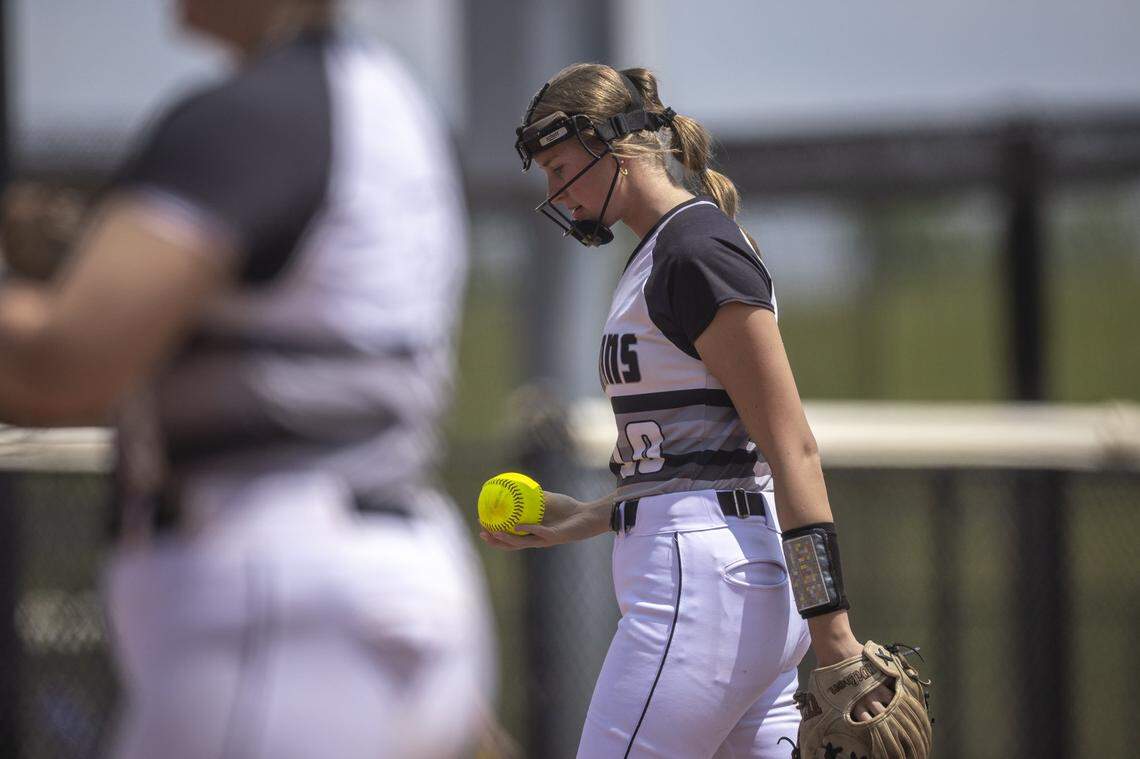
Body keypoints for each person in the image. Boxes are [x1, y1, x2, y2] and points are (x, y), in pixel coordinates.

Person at [0, 1, 492, 757]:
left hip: (278, 596)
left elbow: (60, 366)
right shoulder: (377, 95)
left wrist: (63, 301)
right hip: (358, 582)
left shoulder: (258, 116)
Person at [481, 63, 894, 758]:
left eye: (559, 167)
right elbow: (703, 459)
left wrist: (836, 637)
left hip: (703, 592)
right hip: (727, 588)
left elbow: (790, 447)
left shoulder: (695, 248)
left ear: (611, 141)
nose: (554, 191)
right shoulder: (663, 252)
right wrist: (588, 515)